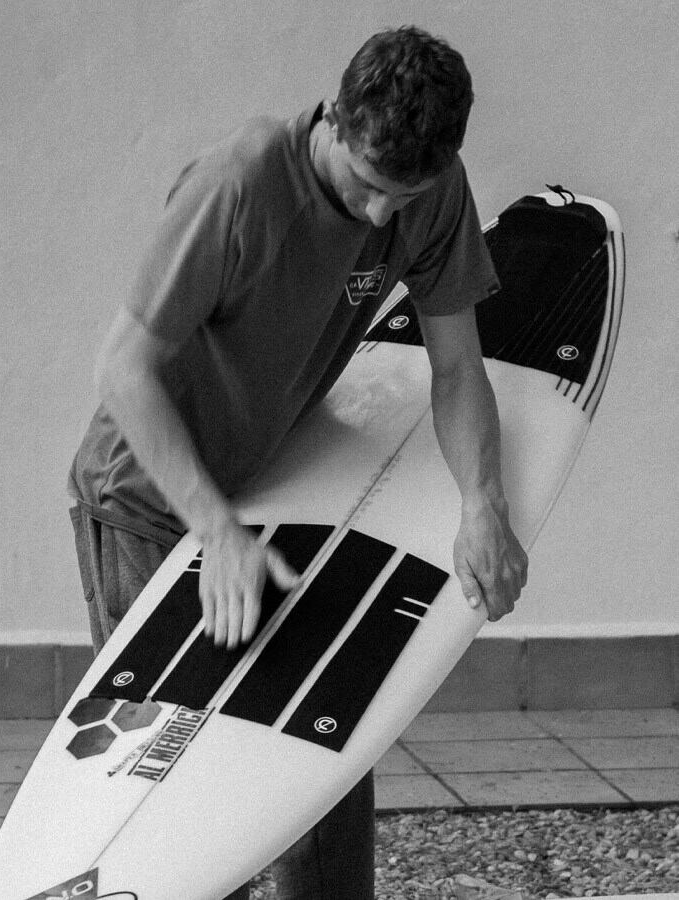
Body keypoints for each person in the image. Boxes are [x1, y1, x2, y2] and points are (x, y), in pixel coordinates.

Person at [68, 25, 529, 900]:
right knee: (189, 778)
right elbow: (123, 368)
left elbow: (457, 367)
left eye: (404, 195)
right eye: (367, 184)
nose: (382, 215)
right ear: (334, 120)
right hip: (145, 500)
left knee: (319, 750)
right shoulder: (239, 187)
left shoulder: (431, 189)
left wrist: (483, 502)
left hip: (267, 493)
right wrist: (217, 534)